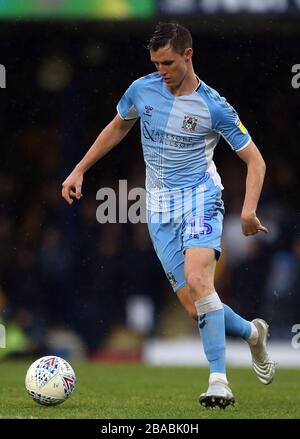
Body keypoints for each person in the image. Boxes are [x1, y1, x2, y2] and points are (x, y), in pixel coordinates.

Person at [61, 22, 275, 409]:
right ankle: (252, 332)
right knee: (196, 306)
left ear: (188, 55)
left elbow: (255, 160)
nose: (161, 69)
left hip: (201, 200)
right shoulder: (141, 90)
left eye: (168, 62)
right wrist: (80, 169)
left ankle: (219, 382)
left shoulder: (214, 105)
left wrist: (247, 210)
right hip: (159, 211)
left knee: (199, 280)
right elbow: (117, 127)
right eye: (156, 62)